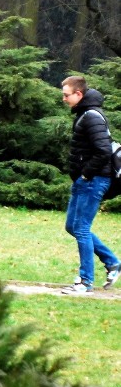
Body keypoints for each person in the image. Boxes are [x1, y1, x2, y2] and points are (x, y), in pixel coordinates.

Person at [60, 76, 121, 294]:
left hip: (93, 180)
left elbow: (103, 151)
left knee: (82, 229)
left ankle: (85, 282)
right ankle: (113, 262)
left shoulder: (92, 116)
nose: (64, 99)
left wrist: (85, 175)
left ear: (79, 94)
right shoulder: (84, 115)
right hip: (85, 180)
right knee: (72, 226)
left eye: (67, 95)